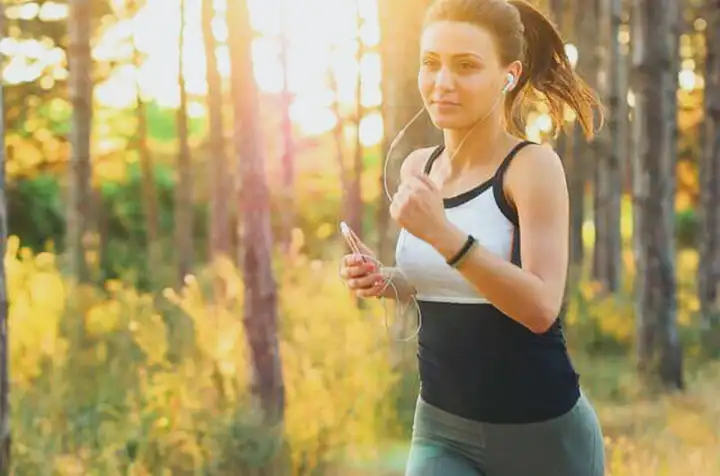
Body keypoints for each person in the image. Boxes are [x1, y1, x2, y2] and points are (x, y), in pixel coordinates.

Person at [339, 0, 605, 474]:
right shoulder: (418, 166)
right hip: (441, 429)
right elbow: (446, 281)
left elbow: (541, 307)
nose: (442, 83)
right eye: (431, 63)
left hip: (543, 435)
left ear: (509, 74)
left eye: (466, 66)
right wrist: (387, 280)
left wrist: (442, 234)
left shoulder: (530, 168)